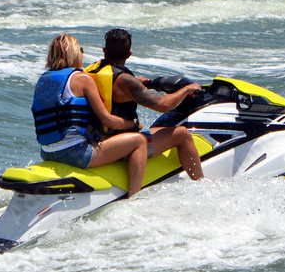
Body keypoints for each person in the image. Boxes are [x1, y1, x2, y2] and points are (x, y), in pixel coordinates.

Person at [32, 34, 148, 197]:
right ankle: (135, 197)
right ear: (75, 54)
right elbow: (108, 120)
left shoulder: (43, 80)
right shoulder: (82, 79)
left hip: (47, 151)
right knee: (139, 141)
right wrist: (134, 125)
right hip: (75, 153)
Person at [84, 28, 204, 180]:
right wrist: (187, 89)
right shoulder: (126, 81)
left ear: (104, 51)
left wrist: (137, 85)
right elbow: (163, 105)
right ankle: (200, 182)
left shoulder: (91, 72)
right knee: (182, 134)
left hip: (95, 139)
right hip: (118, 145)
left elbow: (113, 90)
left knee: (144, 126)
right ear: (129, 54)